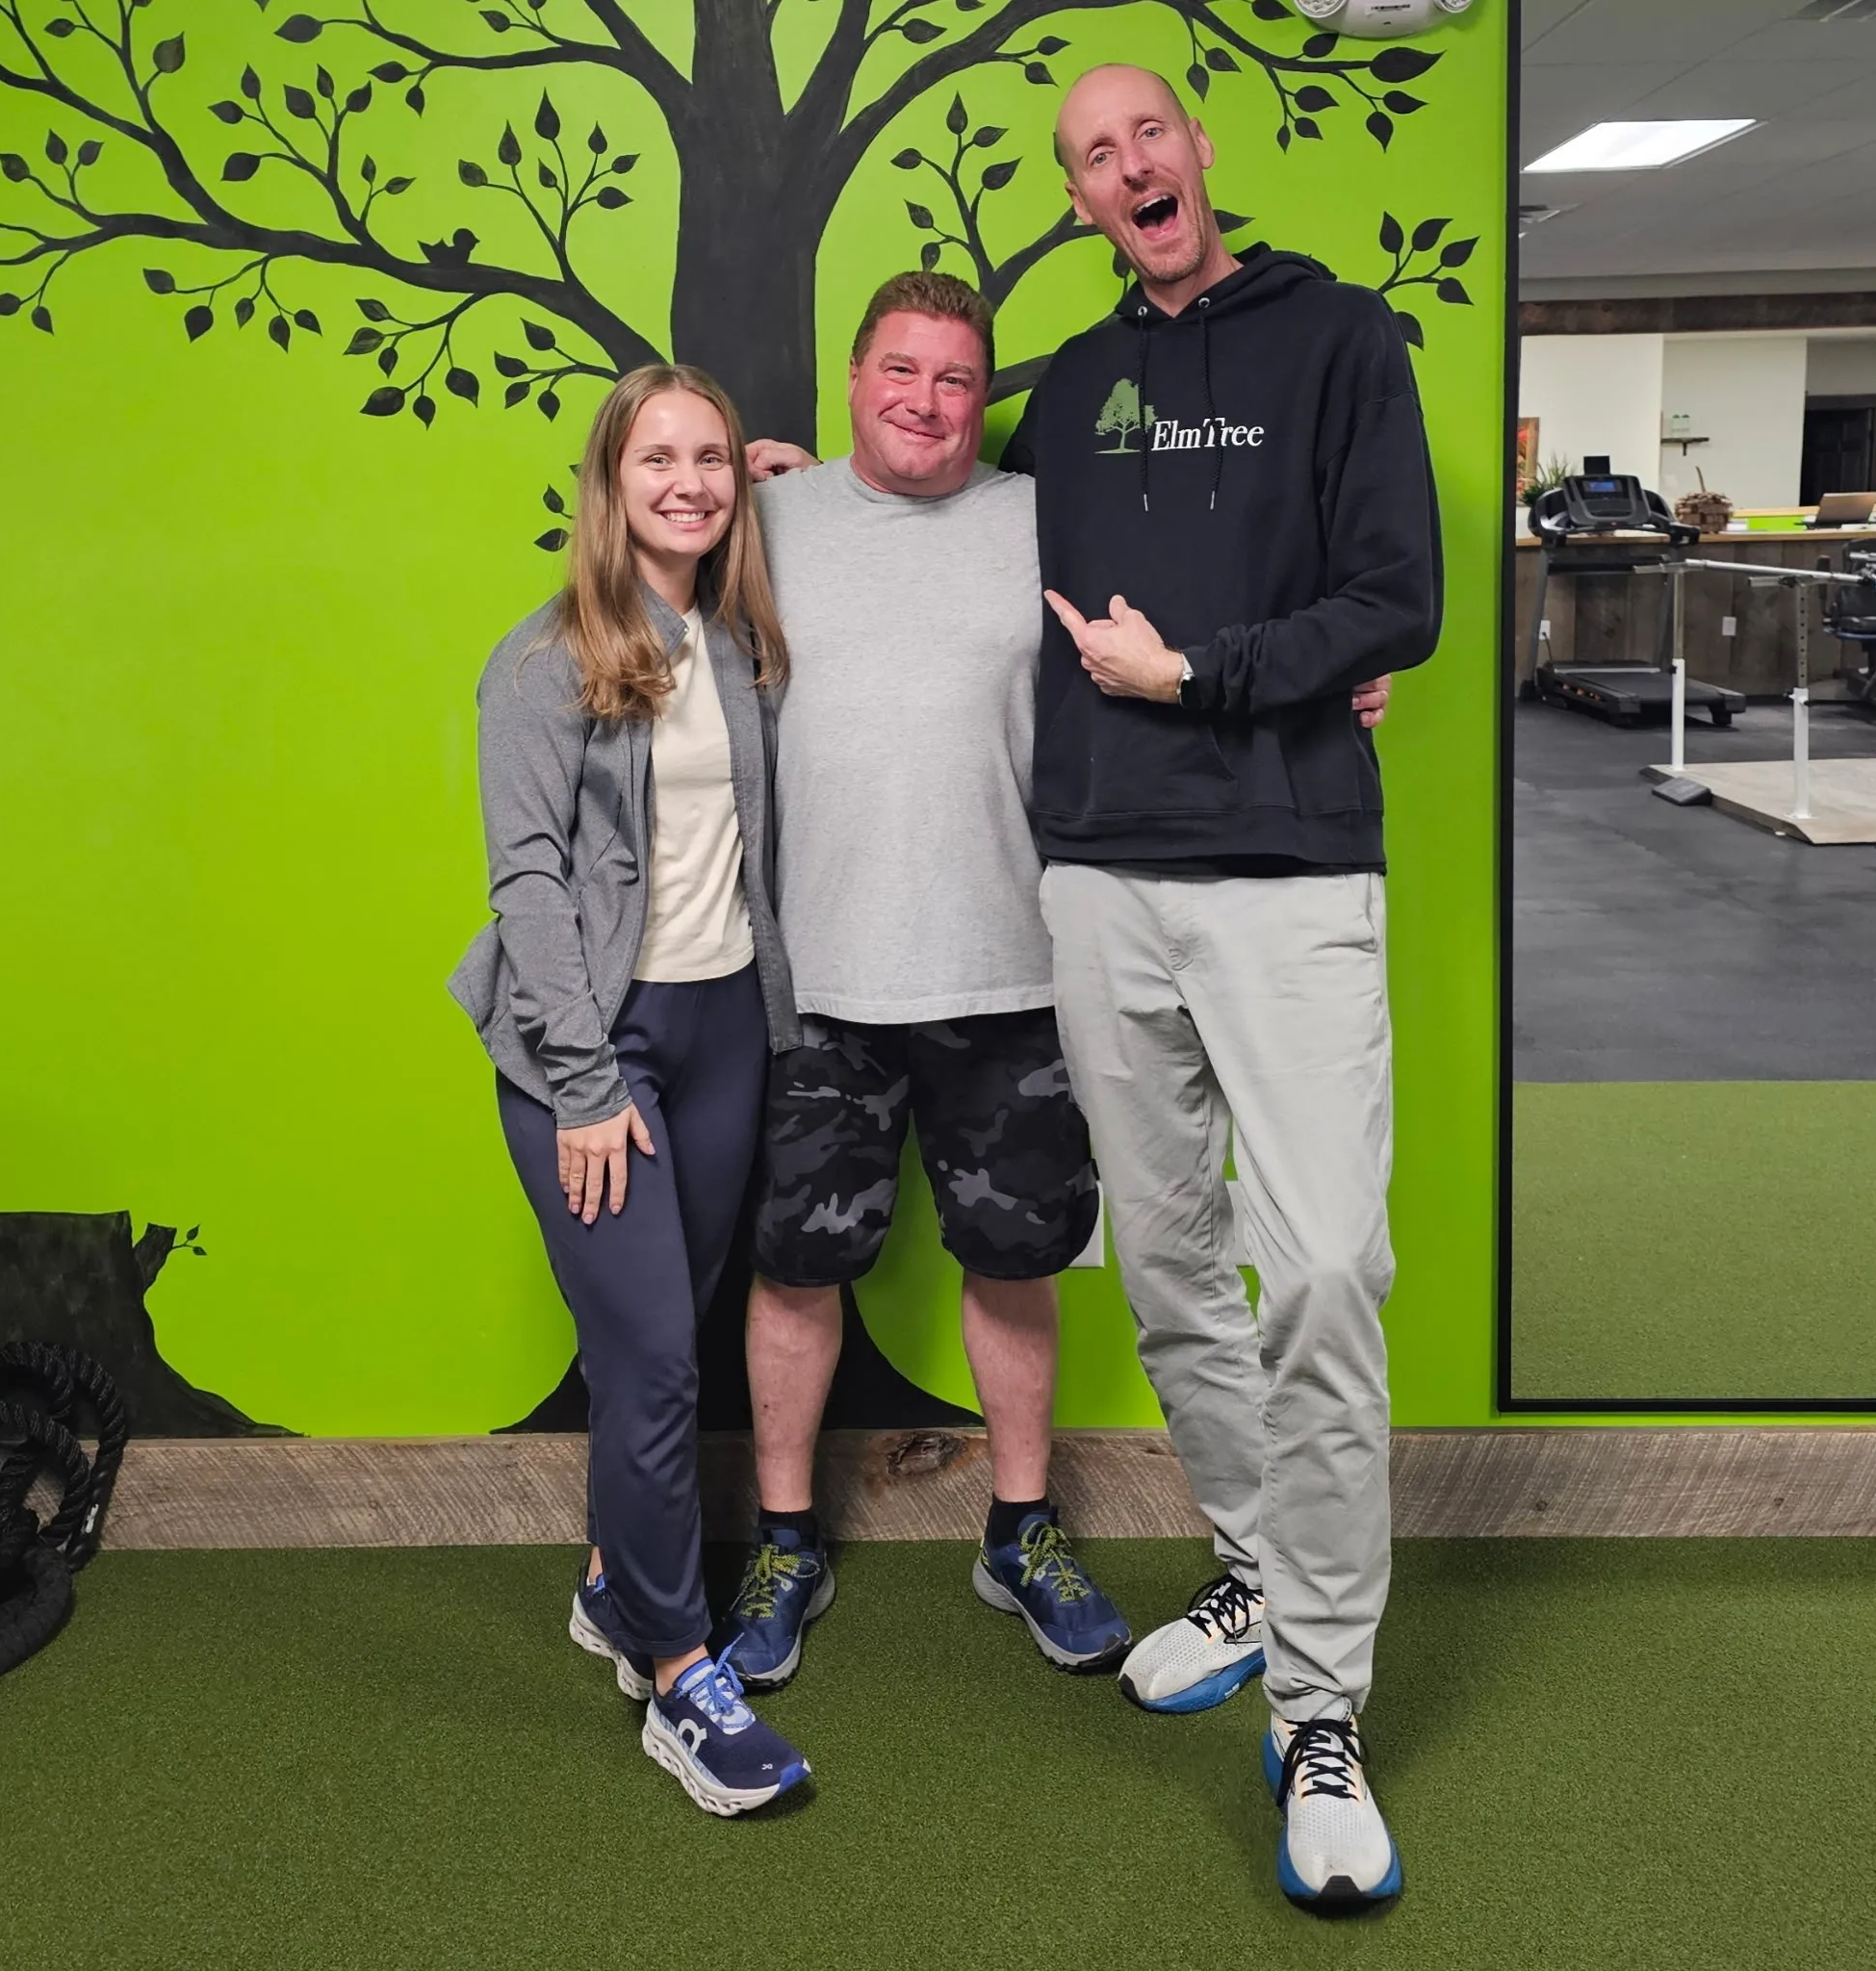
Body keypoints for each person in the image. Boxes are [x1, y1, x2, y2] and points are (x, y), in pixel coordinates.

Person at [1001, 65, 1443, 1909]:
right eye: (1093, 156)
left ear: (1197, 150)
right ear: (1085, 204)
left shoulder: (1342, 340)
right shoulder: (1066, 394)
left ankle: (1321, 1714)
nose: (1130, 166)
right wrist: (799, 488)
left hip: (1288, 869)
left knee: (1324, 1267)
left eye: (1149, 134)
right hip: (1104, 877)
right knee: (1174, 1264)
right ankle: (1260, 1565)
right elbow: (941, 515)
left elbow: (1398, 600)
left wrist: (1208, 675)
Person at [719, 273, 1133, 1689]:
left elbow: (1192, 609)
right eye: (900, 370)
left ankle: (1020, 1530)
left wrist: (1342, 677)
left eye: (956, 378)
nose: (927, 401)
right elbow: (635, 580)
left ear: (982, 397)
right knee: (794, 1267)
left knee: (1018, 1260)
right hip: (815, 981)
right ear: (852, 380)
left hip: (1010, 969)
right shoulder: (766, 521)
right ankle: (786, 1541)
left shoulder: (1046, 520)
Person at [448, 363, 810, 1818]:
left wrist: (796, 488)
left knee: (667, 1339)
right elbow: (527, 883)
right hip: (595, 1046)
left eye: (710, 458)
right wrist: (587, 1085)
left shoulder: (739, 639)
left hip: (728, 1031)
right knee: (657, 1362)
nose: (688, 483)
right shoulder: (543, 662)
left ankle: (614, 1579)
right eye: (656, 458)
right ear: (608, 482)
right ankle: (678, 1672)